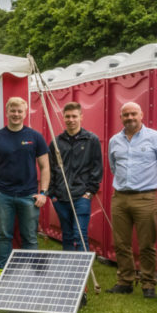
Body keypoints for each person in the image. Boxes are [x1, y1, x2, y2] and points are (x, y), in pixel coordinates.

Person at [107, 101, 157, 299]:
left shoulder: (156, 138)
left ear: (141, 115)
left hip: (145, 197)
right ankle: (125, 281)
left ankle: (148, 283)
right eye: (125, 114)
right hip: (119, 197)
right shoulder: (114, 141)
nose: (129, 118)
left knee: (147, 244)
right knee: (121, 243)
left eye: (133, 114)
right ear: (121, 117)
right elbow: (113, 166)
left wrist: (153, 183)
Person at [0, 97, 50, 272]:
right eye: (13, 111)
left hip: (29, 195)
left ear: (25, 113)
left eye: (20, 111)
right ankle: (2, 272)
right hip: (3, 195)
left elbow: (45, 167)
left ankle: (30, 273)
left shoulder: (35, 137)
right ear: (7, 112)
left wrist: (43, 192)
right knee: (4, 236)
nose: (16, 114)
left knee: (29, 237)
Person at [47, 102, 103, 251]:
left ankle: (81, 270)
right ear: (63, 118)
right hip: (60, 197)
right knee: (67, 234)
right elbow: (50, 168)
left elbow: (97, 168)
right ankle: (69, 270)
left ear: (81, 117)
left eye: (74, 116)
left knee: (79, 234)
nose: (71, 120)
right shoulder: (56, 142)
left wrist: (89, 192)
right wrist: (52, 194)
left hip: (81, 196)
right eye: (67, 116)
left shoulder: (91, 140)